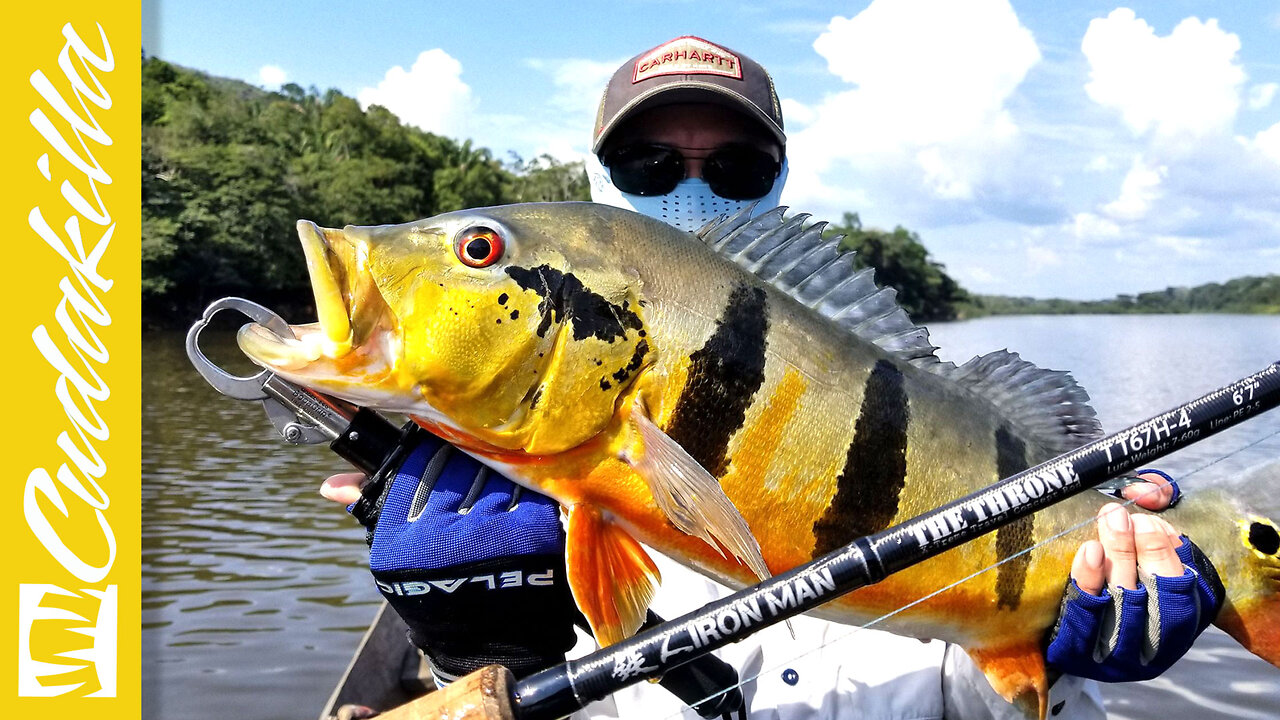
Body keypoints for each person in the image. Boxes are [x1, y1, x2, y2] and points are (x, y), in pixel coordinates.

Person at [322, 36, 1220, 720]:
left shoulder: (856, 372)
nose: (691, 189)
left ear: (781, 175)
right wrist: (474, 662)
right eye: (650, 165)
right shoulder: (499, 492)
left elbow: (1000, 694)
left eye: (738, 166)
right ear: (603, 184)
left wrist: (1062, 663)